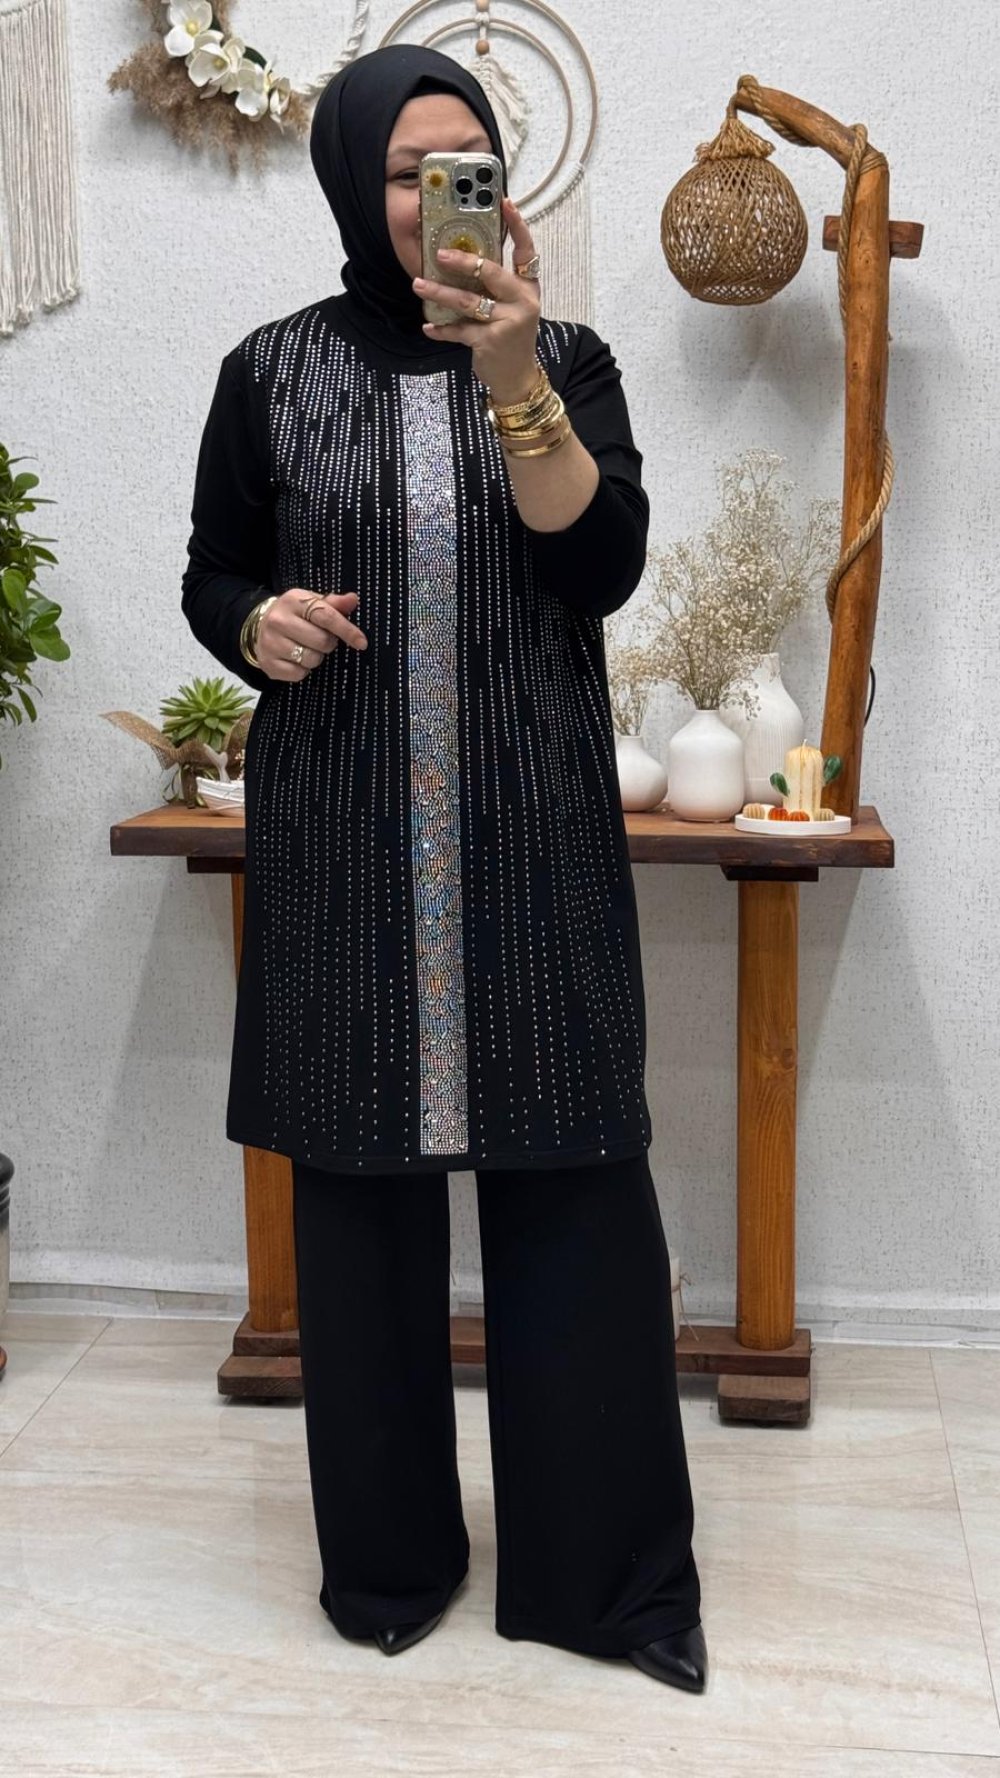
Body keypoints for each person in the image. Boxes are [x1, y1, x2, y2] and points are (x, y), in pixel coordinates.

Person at [181, 44, 706, 1693]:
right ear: (357, 183)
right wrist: (254, 625)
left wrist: (514, 368)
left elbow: (599, 561)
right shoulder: (270, 371)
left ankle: (604, 1579)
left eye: (464, 162)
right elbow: (213, 571)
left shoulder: (570, 358)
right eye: (405, 169)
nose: (432, 196)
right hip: (344, 841)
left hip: (530, 835)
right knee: (359, 1203)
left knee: (573, 1184)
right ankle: (392, 1563)